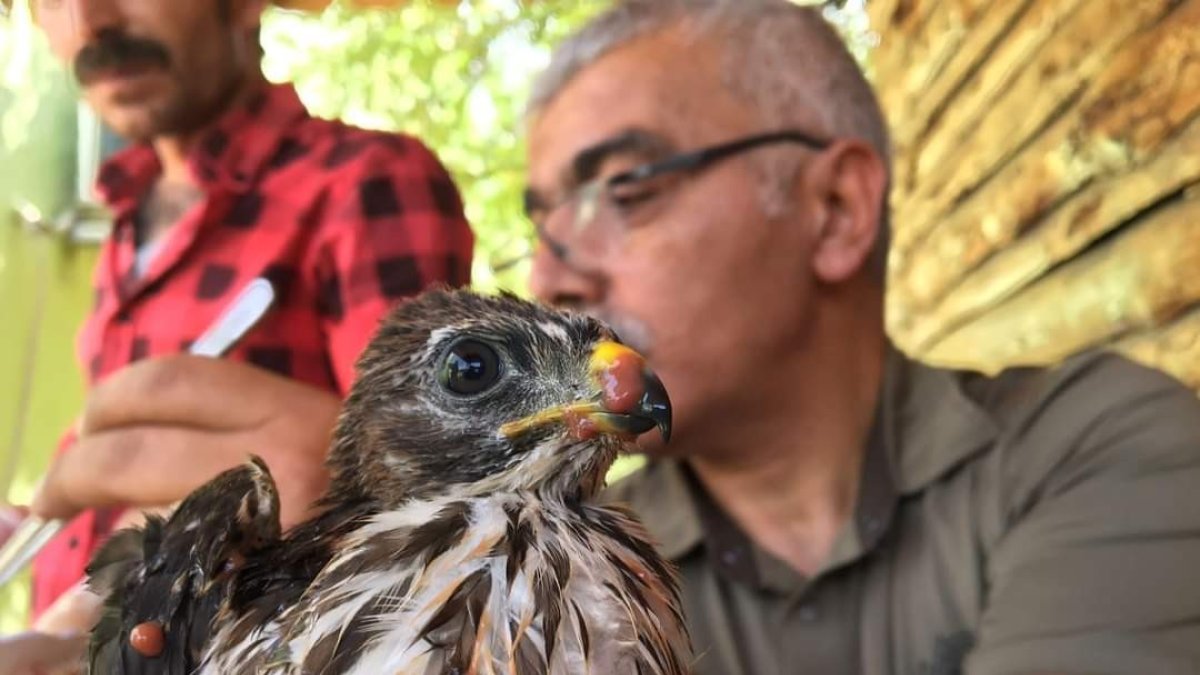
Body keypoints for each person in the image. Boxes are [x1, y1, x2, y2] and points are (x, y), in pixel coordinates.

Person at [522, 1, 1200, 673]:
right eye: (543, 226)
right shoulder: (545, 579)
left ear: (837, 209)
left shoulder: (1094, 444)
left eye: (624, 189)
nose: (548, 278)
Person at [8, 0, 474, 630]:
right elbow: (137, 464)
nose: (92, 20)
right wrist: (41, 534)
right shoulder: (125, 220)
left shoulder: (363, 181)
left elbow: (439, 504)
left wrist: (329, 485)